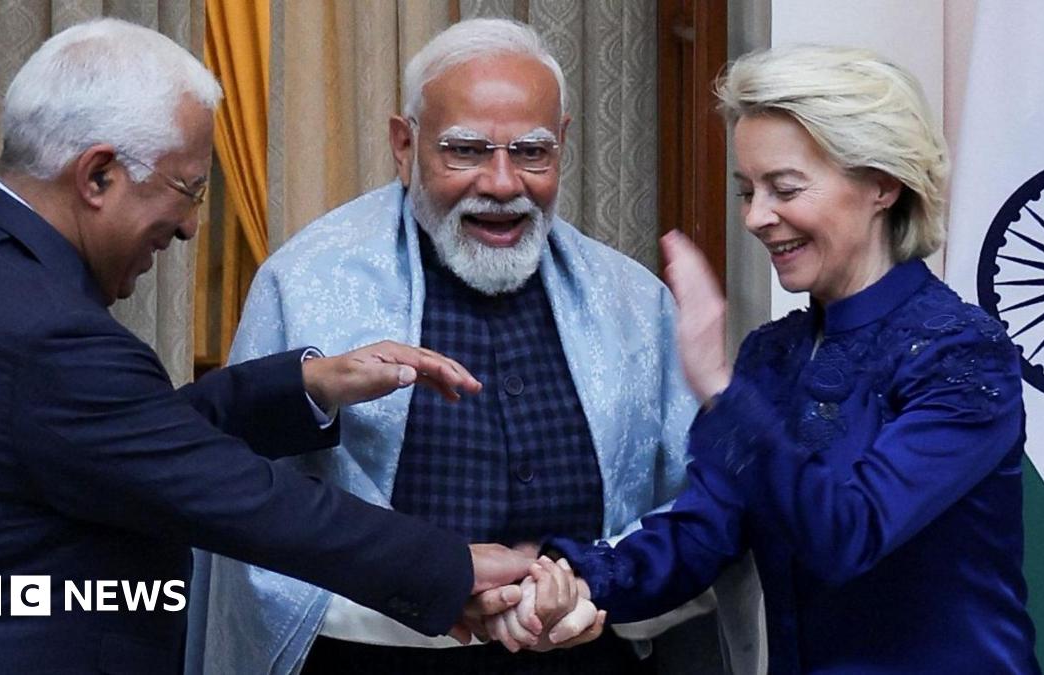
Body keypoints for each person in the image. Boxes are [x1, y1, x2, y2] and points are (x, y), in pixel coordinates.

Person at [0, 18, 558, 675]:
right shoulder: (49, 334)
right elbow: (242, 498)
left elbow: (118, 439)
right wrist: (450, 566)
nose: (189, 226)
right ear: (97, 177)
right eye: (189, 188)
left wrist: (309, 385)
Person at [191, 17, 730, 675]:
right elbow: (239, 501)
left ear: (561, 143)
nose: (502, 184)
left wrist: (586, 581)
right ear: (403, 143)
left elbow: (696, 498)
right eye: (466, 150)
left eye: (531, 152)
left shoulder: (633, 300)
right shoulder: (306, 283)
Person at [544, 45, 1040, 673]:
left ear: (883, 184)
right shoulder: (772, 355)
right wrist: (573, 580)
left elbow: (849, 534)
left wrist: (719, 388)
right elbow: (703, 533)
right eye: (746, 190)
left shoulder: (964, 354)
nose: (755, 216)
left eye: (784, 187)